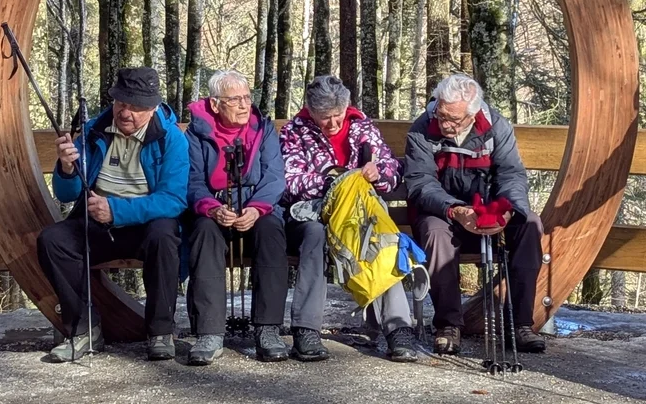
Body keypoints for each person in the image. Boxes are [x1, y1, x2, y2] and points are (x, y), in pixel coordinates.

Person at [36, 67, 187, 362]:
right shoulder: (94, 130)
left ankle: (160, 331)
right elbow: (67, 194)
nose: (125, 112)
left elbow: (173, 200)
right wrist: (66, 168)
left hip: (145, 224)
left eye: (136, 106)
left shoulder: (171, 139)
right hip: (96, 222)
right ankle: (82, 329)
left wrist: (115, 211)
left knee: (165, 236)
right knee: (53, 240)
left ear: (153, 107)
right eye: (121, 103)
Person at [404, 73, 546, 355]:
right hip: (443, 213)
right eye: (441, 114)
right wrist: (455, 209)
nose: (444, 124)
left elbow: (511, 175)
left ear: (472, 115)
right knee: (434, 232)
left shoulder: (496, 127)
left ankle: (521, 324)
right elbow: (420, 183)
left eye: (452, 120)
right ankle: (448, 325)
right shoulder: (422, 129)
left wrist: (508, 211)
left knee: (530, 223)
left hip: (489, 212)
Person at [280, 75, 417, 362]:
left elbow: (392, 168)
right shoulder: (295, 131)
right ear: (311, 111)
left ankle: (399, 328)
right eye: (324, 117)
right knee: (315, 235)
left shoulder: (363, 127)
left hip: (357, 214)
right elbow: (288, 182)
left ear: (347, 106)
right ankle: (306, 329)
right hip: (313, 212)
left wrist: (378, 174)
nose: (332, 123)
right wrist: (335, 181)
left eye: (337, 115)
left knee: (379, 236)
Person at [184, 70, 289, 366]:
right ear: (216, 104)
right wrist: (211, 208)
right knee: (204, 232)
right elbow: (191, 180)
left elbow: (274, 176)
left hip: (257, 208)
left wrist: (256, 208)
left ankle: (267, 330)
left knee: (271, 230)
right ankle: (210, 332)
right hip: (215, 209)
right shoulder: (196, 134)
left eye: (247, 97)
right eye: (235, 99)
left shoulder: (263, 129)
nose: (244, 105)